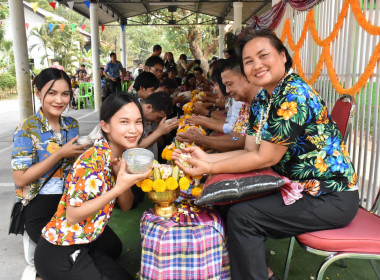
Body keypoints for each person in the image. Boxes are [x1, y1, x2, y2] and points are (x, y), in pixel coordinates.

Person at [173, 28, 359, 280]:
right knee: (230, 201)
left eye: (264, 56)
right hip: (295, 187)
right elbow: (249, 149)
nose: (256, 65)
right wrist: (204, 158)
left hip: (328, 197)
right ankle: (258, 270)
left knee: (243, 217)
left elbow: (266, 158)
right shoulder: (263, 98)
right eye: (249, 61)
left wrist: (208, 166)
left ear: (283, 56)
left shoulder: (292, 94)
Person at [34, 93, 151, 279]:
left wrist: (121, 178)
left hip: (86, 243)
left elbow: (127, 206)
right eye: (124, 122)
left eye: (138, 122)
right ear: (105, 126)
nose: (134, 129)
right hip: (61, 250)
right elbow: (72, 216)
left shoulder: (118, 157)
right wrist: (118, 187)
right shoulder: (90, 161)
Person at [11, 68, 88, 279]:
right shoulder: (27, 129)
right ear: (38, 93)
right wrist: (60, 153)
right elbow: (20, 178)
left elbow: (75, 166)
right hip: (39, 207)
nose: (59, 100)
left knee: (108, 247)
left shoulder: (71, 125)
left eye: (65, 94)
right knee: (71, 255)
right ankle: (36, 272)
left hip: (69, 204)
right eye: (52, 93)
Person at [177, 56, 259, 152]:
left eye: (229, 84)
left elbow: (240, 144)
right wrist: (202, 138)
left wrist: (204, 138)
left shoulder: (259, 102)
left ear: (247, 78)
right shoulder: (246, 104)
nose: (227, 90)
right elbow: (235, 137)